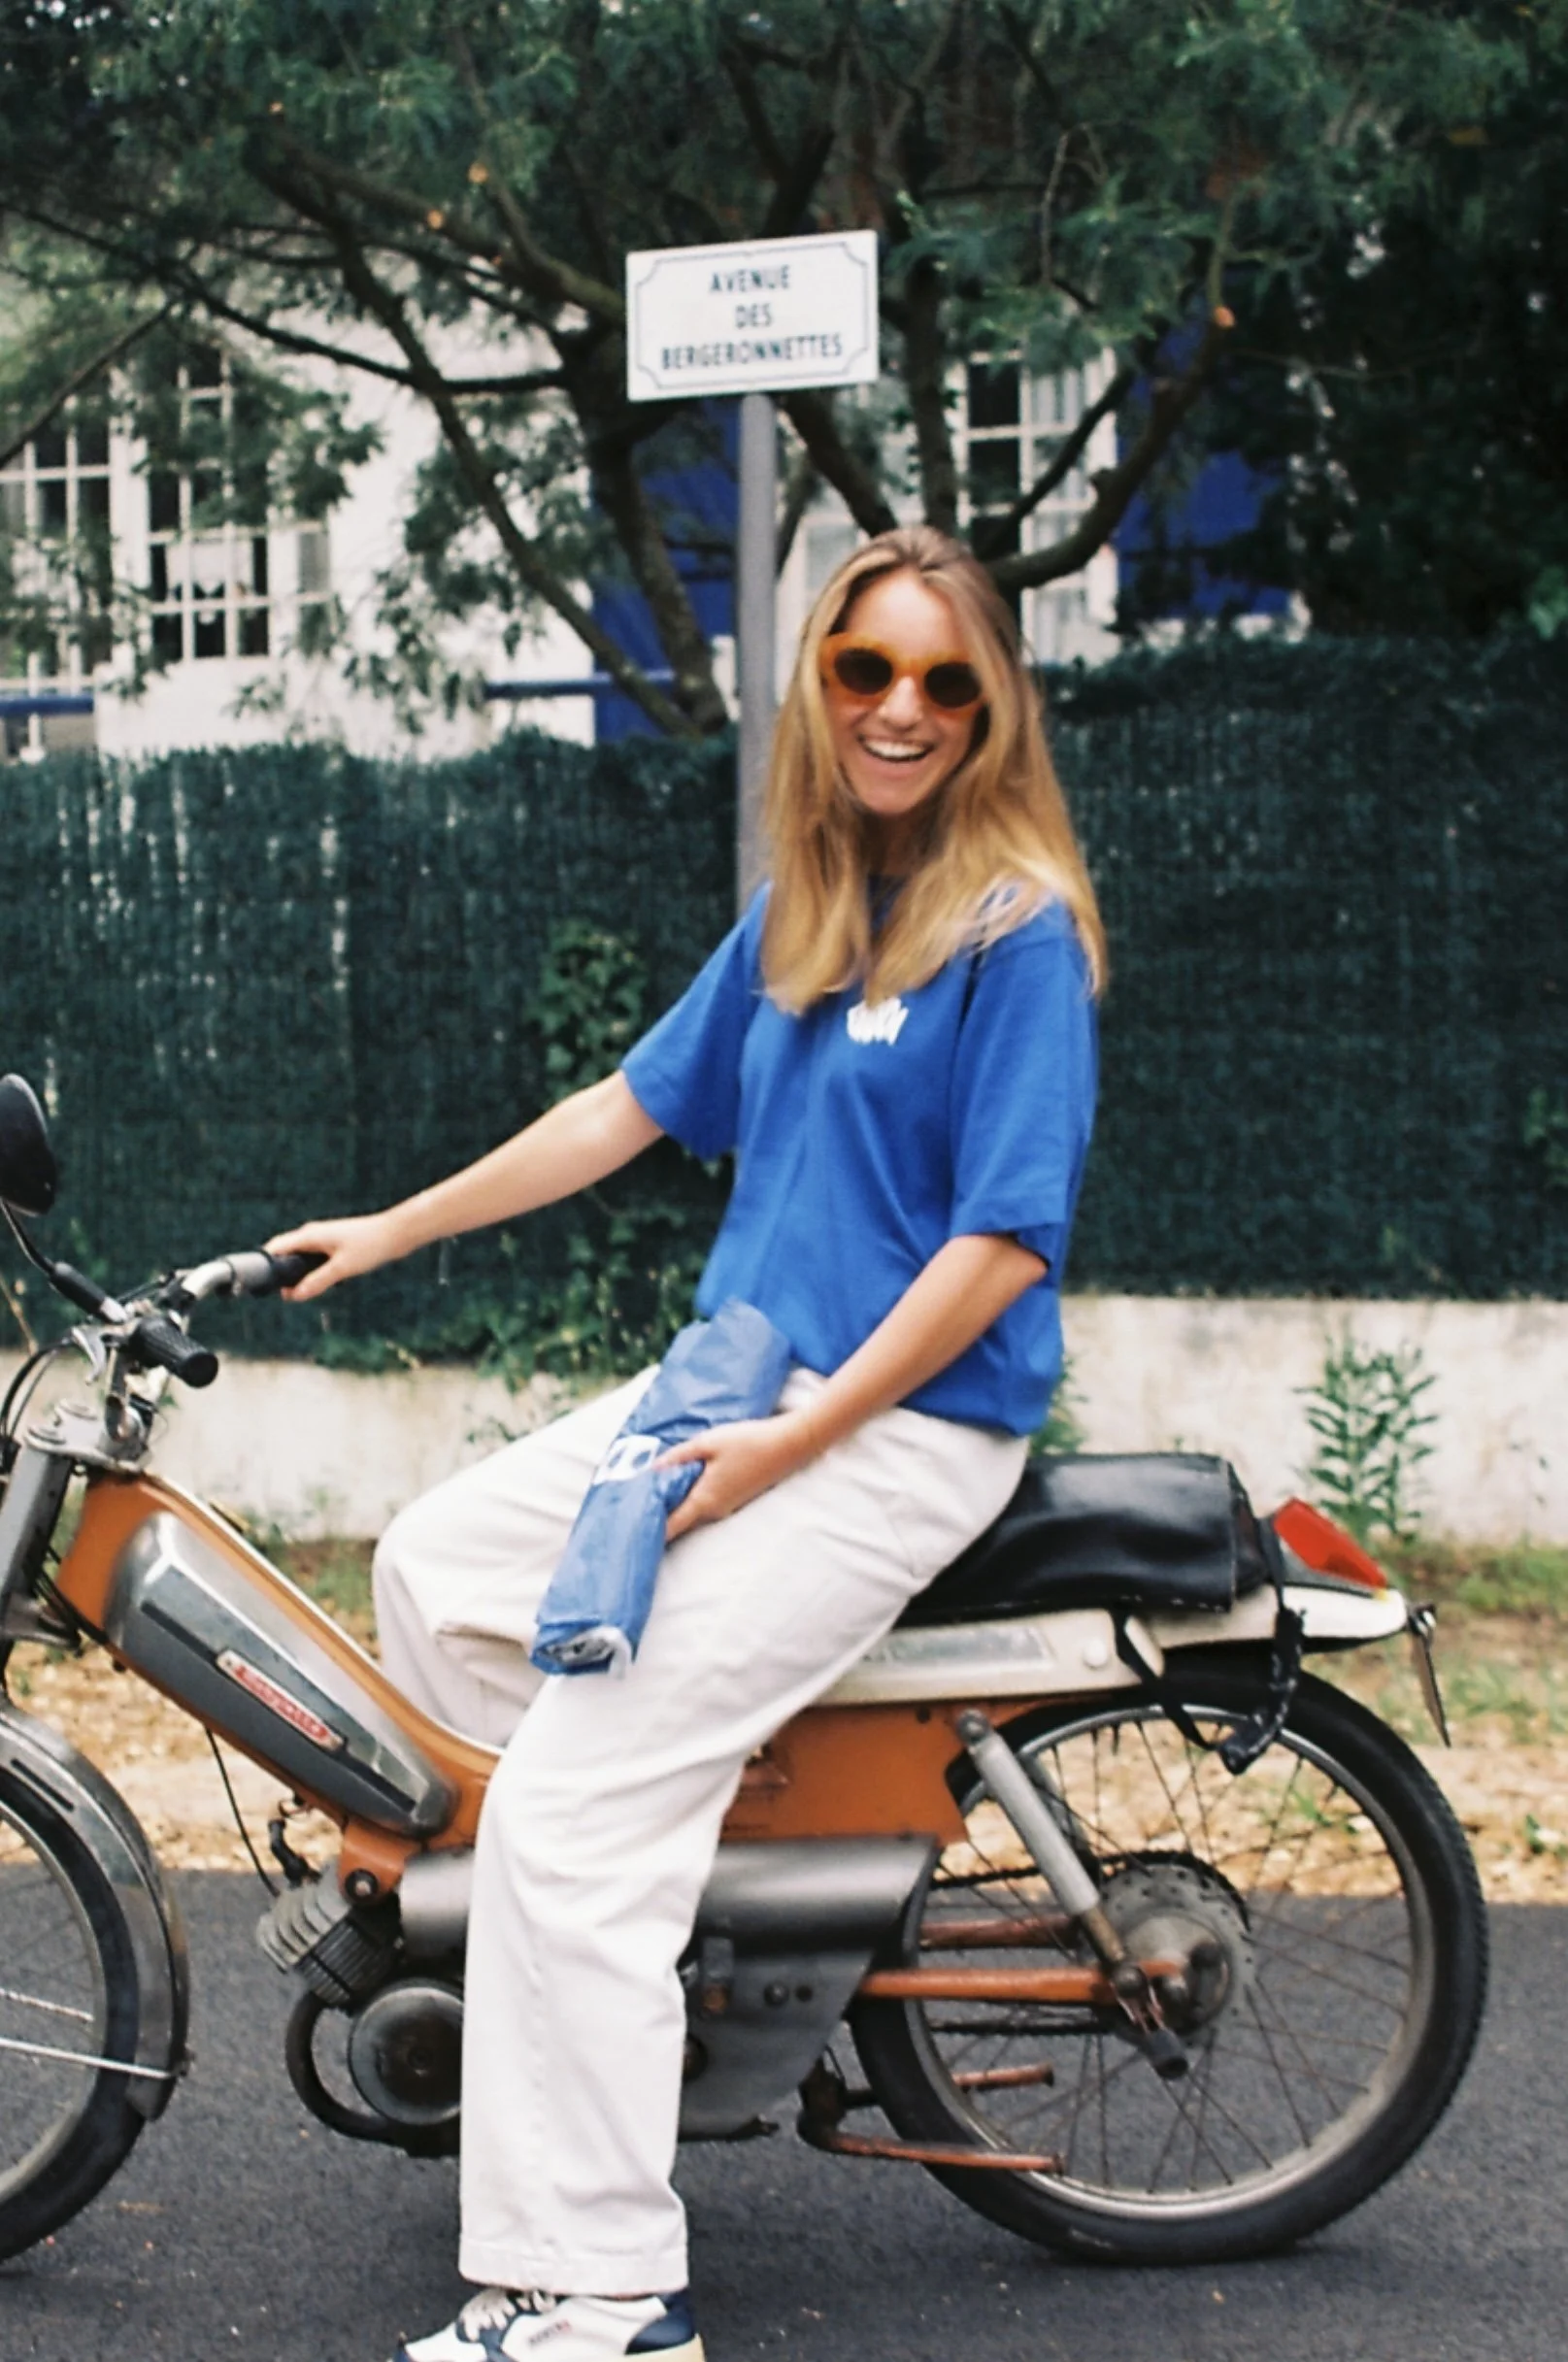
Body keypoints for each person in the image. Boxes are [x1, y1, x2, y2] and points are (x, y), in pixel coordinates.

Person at [268, 524, 1105, 2362]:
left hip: (895, 1428)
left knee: (567, 1809)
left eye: (943, 679)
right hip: (732, 1386)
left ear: (991, 710)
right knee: (435, 1570)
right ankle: (632, 1945)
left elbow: (997, 1248)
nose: (899, 708)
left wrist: (784, 1455)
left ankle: (600, 2289)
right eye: (864, 670)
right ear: (819, 687)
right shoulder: (812, 906)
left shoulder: (1013, 930)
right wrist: (391, 1230)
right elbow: (623, 1110)